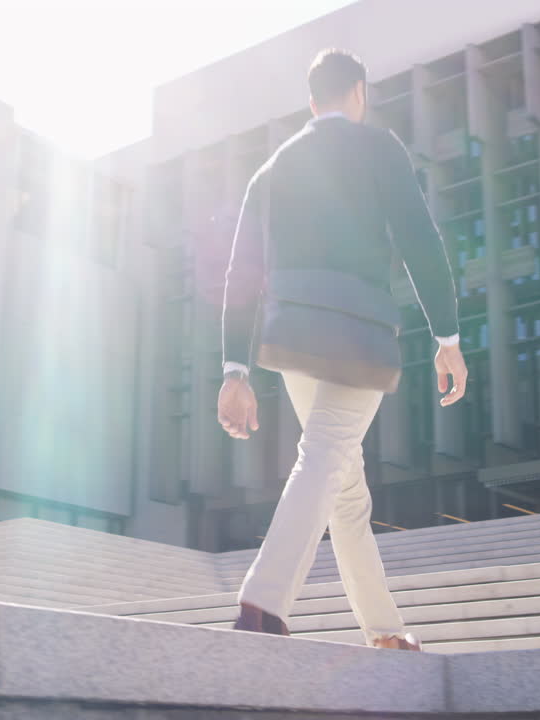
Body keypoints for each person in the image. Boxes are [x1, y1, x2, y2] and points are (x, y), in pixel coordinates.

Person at [218, 48, 467, 651]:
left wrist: (234, 368)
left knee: (347, 487)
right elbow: (419, 240)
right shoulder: (378, 147)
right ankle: (263, 602)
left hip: (293, 338)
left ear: (312, 100)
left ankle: (382, 629)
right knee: (327, 450)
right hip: (358, 333)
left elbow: (239, 273)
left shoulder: (272, 167)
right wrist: (448, 338)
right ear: (359, 92)